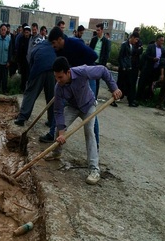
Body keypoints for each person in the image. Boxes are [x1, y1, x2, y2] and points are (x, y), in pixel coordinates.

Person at [44, 56, 122, 185]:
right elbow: (58, 111)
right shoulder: (58, 87)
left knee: (89, 132)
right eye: (56, 77)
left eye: (60, 77)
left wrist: (114, 88)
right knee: (58, 128)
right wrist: (62, 134)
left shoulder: (82, 71)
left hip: (88, 106)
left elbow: (103, 70)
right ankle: (56, 153)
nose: (58, 80)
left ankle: (94, 170)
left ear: (68, 72)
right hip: (72, 107)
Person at [14, 38, 57, 146]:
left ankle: (22, 118)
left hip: (38, 69)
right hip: (52, 70)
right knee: (51, 96)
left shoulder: (37, 47)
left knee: (30, 93)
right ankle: (51, 120)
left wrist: (31, 77)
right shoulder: (53, 46)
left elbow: (30, 60)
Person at [136, 35, 165, 102]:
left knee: (150, 84)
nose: (162, 42)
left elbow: (163, 60)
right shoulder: (151, 46)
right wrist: (153, 59)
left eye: (163, 41)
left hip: (155, 70)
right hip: (147, 68)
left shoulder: (162, 49)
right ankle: (137, 97)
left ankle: (145, 98)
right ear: (157, 40)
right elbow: (146, 56)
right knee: (142, 83)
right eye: (161, 40)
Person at [117, 31, 140, 107]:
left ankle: (130, 101)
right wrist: (123, 66)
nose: (136, 41)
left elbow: (129, 57)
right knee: (119, 84)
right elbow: (120, 57)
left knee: (129, 85)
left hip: (129, 68)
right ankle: (113, 100)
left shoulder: (132, 46)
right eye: (136, 39)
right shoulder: (124, 45)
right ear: (132, 37)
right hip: (123, 68)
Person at [89, 23, 111, 99]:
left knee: (97, 81)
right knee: (90, 79)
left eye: (99, 30)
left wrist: (103, 65)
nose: (97, 32)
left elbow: (106, 54)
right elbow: (90, 50)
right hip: (92, 62)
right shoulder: (94, 39)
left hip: (99, 63)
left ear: (102, 30)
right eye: (96, 30)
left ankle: (95, 97)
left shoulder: (106, 41)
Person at [17, 24, 31, 93]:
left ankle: (27, 89)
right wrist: (19, 61)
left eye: (27, 32)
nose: (26, 33)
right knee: (23, 76)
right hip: (22, 61)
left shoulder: (31, 40)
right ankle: (22, 89)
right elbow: (19, 51)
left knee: (28, 76)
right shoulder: (21, 39)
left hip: (29, 62)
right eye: (25, 32)